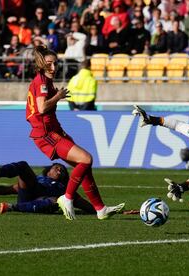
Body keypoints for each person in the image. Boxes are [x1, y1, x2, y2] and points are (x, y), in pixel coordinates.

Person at [26, 45, 125, 220]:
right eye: (49, 64)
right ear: (41, 64)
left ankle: (100, 209)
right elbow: (41, 108)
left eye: (55, 64)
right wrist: (57, 97)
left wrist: (55, 95)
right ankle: (67, 197)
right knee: (86, 159)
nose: (53, 68)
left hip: (55, 130)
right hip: (46, 133)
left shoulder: (45, 81)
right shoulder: (41, 81)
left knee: (84, 167)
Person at [0, 159, 96, 215]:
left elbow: (84, 205)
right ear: (48, 170)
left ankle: (12, 207)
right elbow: (7, 190)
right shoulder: (38, 180)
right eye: (57, 168)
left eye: (62, 171)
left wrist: (100, 210)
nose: (59, 171)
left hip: (42, 203)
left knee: (56, 201)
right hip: (28, 195)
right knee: (23, 165)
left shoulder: (65, 188)